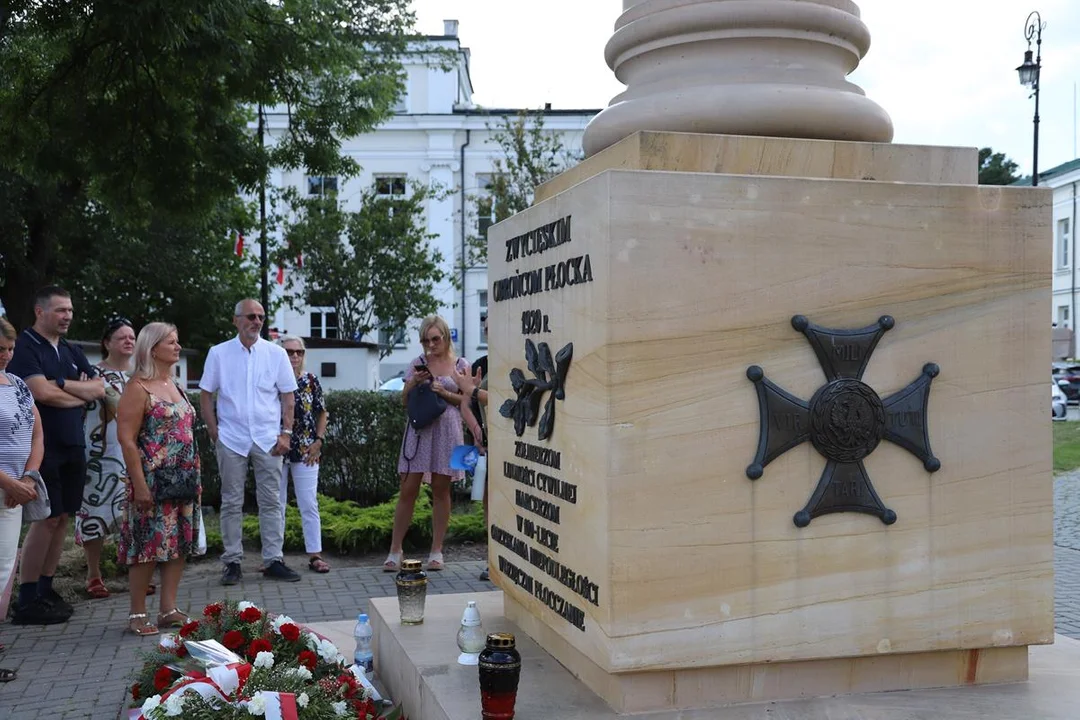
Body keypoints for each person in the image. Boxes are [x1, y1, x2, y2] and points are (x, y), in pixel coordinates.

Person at [8, 286, 104, 625]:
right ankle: (27, 596)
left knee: (63, 518)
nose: (67, 316)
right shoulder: (25, 346)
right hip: (43, 447)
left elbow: (99, 388)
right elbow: (39, 392)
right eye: (61, 310)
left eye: (70, 310)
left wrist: (59, 384)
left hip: (73, 443)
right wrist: (76, 392)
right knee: (45, 518)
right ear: (40, 311)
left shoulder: (70, 349)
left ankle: (46, 589)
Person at [199, 299, 300, 585]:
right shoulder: (218, 353)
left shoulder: (276, 354)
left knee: (272, 501)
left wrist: (286, 433)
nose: (256, 322)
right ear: (236, 320)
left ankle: (274, 560)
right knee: (232, 501)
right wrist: (214, 430)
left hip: (268, 439)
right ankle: (232, 562)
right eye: (251, 316)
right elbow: (206, 393)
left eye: (260, 317)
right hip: (231, 438)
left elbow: (288, 396)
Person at [116, 323, 201, 635]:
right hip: (152, 480)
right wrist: (139, 484)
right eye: (171, 342)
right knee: (146, 545)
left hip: (183, 477)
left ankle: (168, 609)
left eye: (177, 341)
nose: (178, 347)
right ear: (152, 349)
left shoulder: (174, 384)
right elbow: (126, 439)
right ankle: (137, 613)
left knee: (178, 542)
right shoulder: (138, 387)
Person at [385, 315, 471, 573]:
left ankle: (436, 550)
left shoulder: (461, 365)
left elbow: (468, 401)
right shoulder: (417, 363)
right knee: (408, 488)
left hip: (448, 431)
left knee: (441, 489)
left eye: (435, 339)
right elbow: (404, 401)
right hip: (420, 430)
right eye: (426, 340)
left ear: (446, 337)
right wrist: (413, 383)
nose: (431, 345)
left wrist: (444, 392)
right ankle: (395, 550)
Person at [75, 317, 146, 599]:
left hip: (136, 454)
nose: (129, 341)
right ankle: (93, 575)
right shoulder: (91, 374)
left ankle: (136, 573)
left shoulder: (141, 374)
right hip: (99, 454)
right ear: (107, 343)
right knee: (96, 512)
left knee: (135, 512)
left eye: (132, 337)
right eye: (122, 337)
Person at [0, 317, 45, 678]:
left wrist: (29, 476)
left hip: (14, 493)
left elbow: (37, 433)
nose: (6, 355)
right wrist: (9, 483)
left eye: (10, 348)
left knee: (3, 570)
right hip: (6, 487)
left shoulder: (17, 384)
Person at [277, 336, 330, 573]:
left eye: (299, 352)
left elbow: (322, 412)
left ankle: (315, 555)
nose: (295, 356)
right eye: (289, 352)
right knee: (275, 504)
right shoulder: (271, 379)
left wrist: (319, 440)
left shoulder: (310, 381)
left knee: (309, 503)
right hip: (276, 449)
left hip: (306, 449)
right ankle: (274, 557)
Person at [455, 313, 490, 581]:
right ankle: (493, 559)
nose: (489, 332)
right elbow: (465, 404)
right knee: (489, 500)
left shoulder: (516, 361)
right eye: (486, 329)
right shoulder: (481, 364)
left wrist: (474, 391)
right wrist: (477, 431)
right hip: (486, 447)